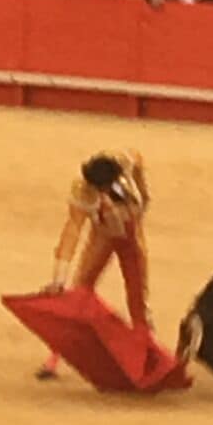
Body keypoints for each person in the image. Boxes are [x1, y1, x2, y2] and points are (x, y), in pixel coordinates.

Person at [36, 150, 152, 380]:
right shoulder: (82, 191)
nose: (101, 194)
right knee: (80, 292)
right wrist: (59, 278)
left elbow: (139, 163)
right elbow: (72, 232)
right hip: (102, 237)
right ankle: (55, 357)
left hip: (130, 237)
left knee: (137, 298)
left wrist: (142, 190)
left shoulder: (127, 163)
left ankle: (146, 357)